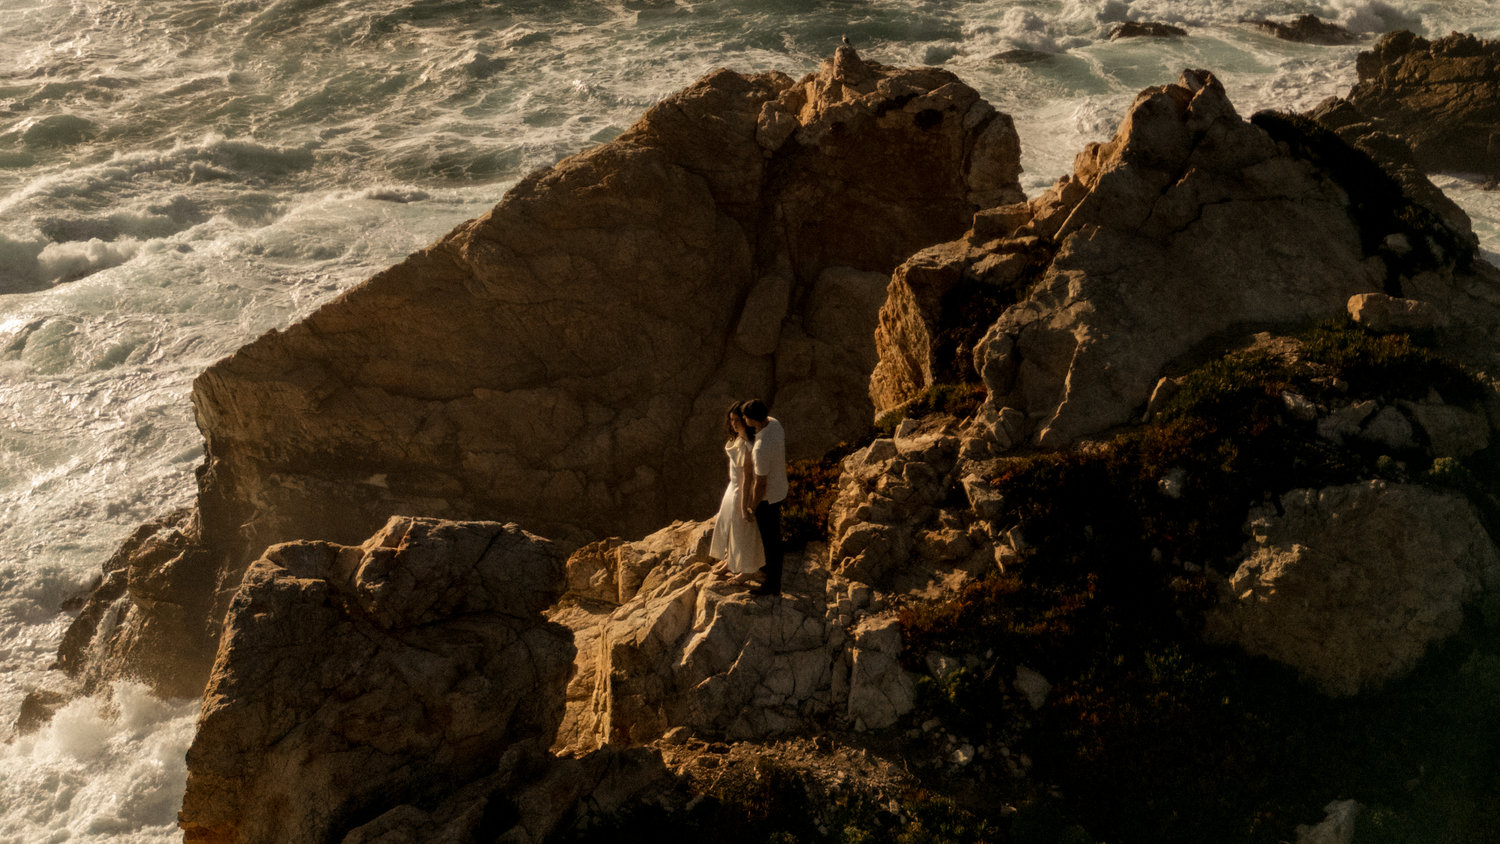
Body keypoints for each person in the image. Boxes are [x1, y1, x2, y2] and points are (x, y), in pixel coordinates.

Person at [708, 402, 764, 580]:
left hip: (741, 491)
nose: (734, 423)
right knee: (728, 526)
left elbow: (748, 477)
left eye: (737, 420)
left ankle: (747, 570)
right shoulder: (738, 440)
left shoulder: (749, 445)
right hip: (732, 488)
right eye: (732, 420)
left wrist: (745, 503)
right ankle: (730, 561)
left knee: (742, 530)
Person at [740, 398, 786, 596]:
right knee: (773, 538)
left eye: (745, 416)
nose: (743, 419)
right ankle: (770, 571)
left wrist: (752, 506)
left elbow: (760, 484)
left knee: (771, 542)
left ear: (753, 420)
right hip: (781, 488)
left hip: (768, 498)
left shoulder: (760, 449)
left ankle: (772, 584)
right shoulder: (774, 424)